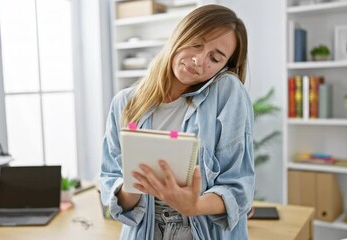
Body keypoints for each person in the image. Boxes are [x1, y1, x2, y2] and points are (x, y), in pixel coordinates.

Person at [100, 4, 255, 240]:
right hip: (144, 232)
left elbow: (239, 188)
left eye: (214, 58)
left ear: (223, 66)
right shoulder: (124, 103)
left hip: (201, 231)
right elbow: (110, 180)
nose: (198, 60)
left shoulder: (227, 92)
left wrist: (195, 205)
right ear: (181, 35)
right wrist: (133, 187)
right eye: (196, 43)